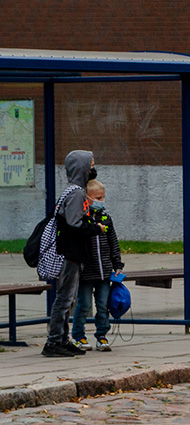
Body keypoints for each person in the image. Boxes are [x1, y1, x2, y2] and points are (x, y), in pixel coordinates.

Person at [43, 150, 105, 358]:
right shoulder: (78, 193)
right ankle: (54, 342)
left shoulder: (72, 190)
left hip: (70, 251)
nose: (92, 169)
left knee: (68, 298)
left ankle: (62, 339)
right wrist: (94, 228)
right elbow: (73, 225)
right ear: (81, 168)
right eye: (90, 165)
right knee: (65, 298)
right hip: (70, 253)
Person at [71, 178, 124, 352]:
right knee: (84, 304)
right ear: (87, 198)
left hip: (104, 272)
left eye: (103, 197)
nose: (102, 201)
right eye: (98, 197)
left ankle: (102, 335)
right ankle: (78, 335)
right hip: (86, 272)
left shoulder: (106, 219)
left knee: (103, 305)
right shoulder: (82, 219)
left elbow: (112, 243)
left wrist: (117, 264)